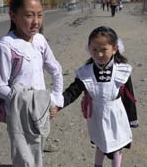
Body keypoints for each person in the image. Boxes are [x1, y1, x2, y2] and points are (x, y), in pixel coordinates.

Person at [0, 0, 63, 167]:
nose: (36, 21)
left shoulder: (39, 40)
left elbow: (56, 69)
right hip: (18, 114)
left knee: (38, 150)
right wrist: (28, 101)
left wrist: (54, 99)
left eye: (40, 15)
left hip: (41, 111)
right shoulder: (7, 46)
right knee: (23, 158)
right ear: (13, 16)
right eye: (29, 15)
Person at [51, 26, 138, 167]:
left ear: (114, 49)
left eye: (104, 49)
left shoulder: (122, 70)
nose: (99, 54)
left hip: (116, 115)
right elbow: (73, 91)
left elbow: (129, 96)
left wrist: (132, 119)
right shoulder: (86, 72)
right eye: (94, 50)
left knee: (116, 146)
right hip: (97, 115)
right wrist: (58, 104)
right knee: (100, 143)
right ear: (89, 49)